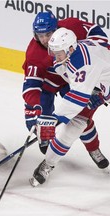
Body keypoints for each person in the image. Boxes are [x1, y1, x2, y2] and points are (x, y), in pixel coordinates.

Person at [22, 11, 109, 169]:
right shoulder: (34, 54)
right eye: (39, 35)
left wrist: (96, 88)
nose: (44, 40)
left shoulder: (72, 27)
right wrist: (35, 110)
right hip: (51, 81)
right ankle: (45, 138)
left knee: (79, 116)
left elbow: (96, 33)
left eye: (48, 34)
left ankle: (93, 148)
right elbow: (32, 86)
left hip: (76, 77)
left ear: (56, 29)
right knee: (44, 115)